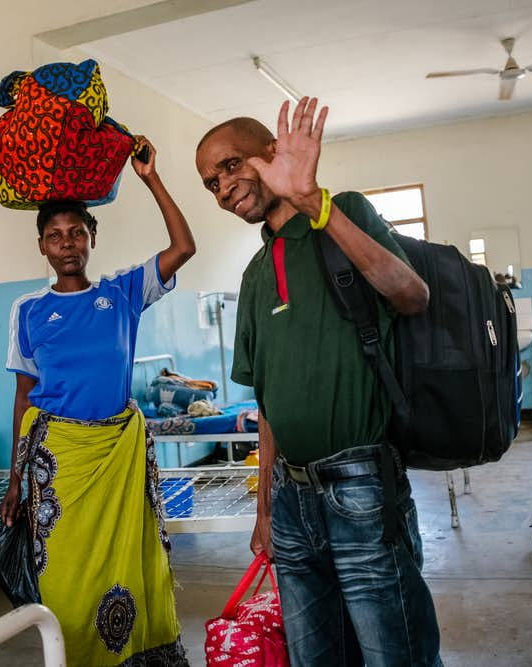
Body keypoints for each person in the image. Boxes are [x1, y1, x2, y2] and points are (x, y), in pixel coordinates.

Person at [195, 98, 443, 666]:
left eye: (231, 165)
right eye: (211, 182)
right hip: (290, 499)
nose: (223, 186)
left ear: (271, 153)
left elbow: (412, 294)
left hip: (360, 483)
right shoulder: (255, 276)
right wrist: (264, 511)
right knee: (314, 656)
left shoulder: (342, 214)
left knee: (393, 651)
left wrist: (314, 201)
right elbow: (269, 404)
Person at [0, 136, 194, 667]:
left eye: (77, 233)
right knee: (62, 578)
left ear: (92, 239)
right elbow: (23, 398)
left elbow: (183, 247)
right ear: (41, 246)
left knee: (129, 563)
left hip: (118, 459)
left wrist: (150, 178)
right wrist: (15, 479)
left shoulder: (122, 295)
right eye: (55, 236)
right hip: (58, 463)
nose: (67, 244)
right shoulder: (27, 311)